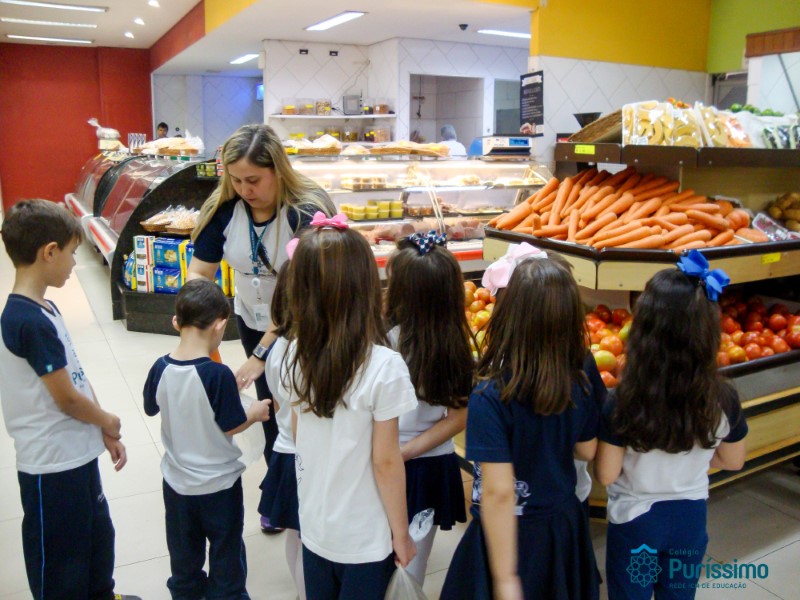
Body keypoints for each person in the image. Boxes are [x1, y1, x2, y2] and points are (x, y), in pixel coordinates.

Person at [188, 123, 334, 533]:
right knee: (269, 403)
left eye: (253, 179)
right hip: (252, 317)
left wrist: (260, 355)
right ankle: (280, 489)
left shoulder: (305, 211)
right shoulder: (225, 209)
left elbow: (302, 293)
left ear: (278, 170)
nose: (244, 189)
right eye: (236, 180)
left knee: (301, 402)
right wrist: (198, 315)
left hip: (307, 320)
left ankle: (314, 487)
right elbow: (199, 271)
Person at [442, 245, 601, 600]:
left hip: (508, 535)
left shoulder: (490, 394)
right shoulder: (582, 370)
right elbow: (587, 449)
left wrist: (506, 578)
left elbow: (499, 493)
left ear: (507, 315)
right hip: (562, 523)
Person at [0, 200, 139, 600]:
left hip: (76, 453)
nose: (74, 264)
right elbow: (66, 400)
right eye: (72, 253)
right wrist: (107, 420)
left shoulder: (46, 308)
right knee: (61, 561)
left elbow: (74, 374)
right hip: (51, 466)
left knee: (96, 537)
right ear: (49, 252)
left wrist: (100, 429)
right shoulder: (26, 321)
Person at [277, 217, 418, 599]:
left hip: (316, 524)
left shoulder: (294, 355)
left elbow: (298, 435)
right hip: (365, 536)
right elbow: (385, 461)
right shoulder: (384, 367)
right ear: (367, 287)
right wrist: (401, 534)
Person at [595, 253, 748, 600]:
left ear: (643, 331)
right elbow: (734, 460)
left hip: (636, 523)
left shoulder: (623, 399)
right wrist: (698, 460)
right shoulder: (722, 397)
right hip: (689, 519)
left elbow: (606, 473)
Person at [143, 278, 272, 599]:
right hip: (219, 486)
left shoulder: (160, 368)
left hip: (177, 485)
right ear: (220, 324)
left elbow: (151, 407)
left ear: (176, 322)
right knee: (226, 552)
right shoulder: (217, 374)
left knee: (184, 557)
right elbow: (232, 425)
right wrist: (256, 412)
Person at [383, 231, 472, 585]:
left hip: (413, 464)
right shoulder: (385, 336)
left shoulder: (447, 346)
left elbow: (460, 415)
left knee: (404, 565)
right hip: (408, 460)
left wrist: (402, 452)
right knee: (401, 561)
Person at [258, 260, 306, 599]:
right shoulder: (307, 351)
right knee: (307, 537)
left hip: (285, 449)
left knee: (295, 533)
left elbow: (278, 403)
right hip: (301, 455)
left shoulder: (279, 347)